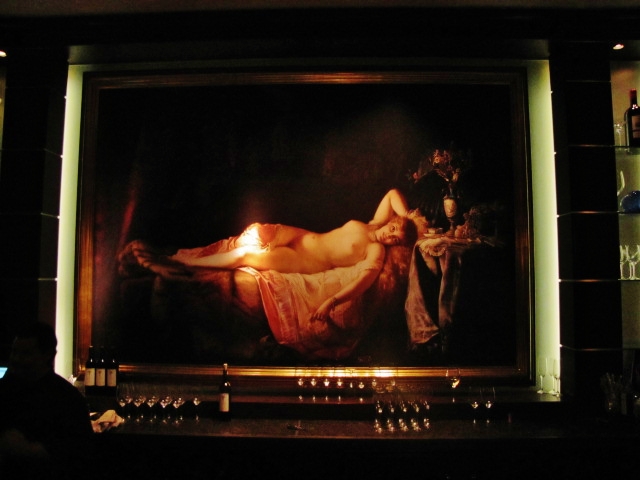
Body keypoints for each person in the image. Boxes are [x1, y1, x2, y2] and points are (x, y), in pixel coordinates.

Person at [130, 188, 418, 323]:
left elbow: (364, 280)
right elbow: (392, 193)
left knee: (246, 255)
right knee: (255, 234)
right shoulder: (372, 224)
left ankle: (185, 262)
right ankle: (177, 257)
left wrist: (332, 301)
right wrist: (409, 217)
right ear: (392, 221)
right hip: (302, 236)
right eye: (393, 228)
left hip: (307, 262)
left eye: (395, 239)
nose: (390, 235)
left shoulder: (375, 250)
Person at [0, 321, 94, 480]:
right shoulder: (5, 388)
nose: (16, 359)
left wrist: (29, 449)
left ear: (47, 355)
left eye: (25, 354)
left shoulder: (67, 398)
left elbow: (80, 452)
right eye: (14, 352)